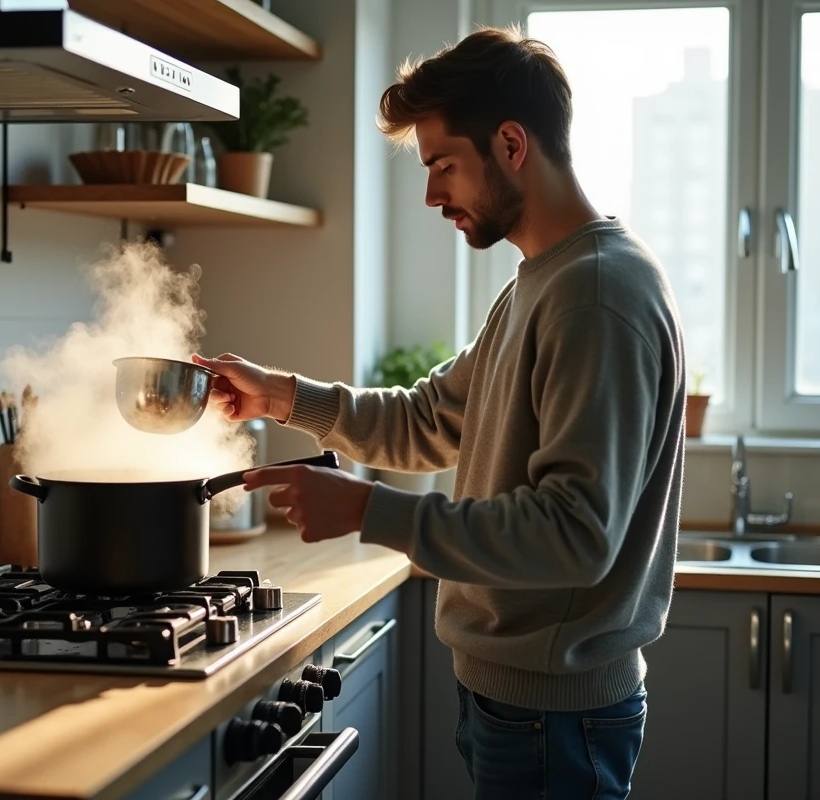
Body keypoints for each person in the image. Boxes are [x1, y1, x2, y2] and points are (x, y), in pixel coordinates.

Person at [192, 24, 685, 800]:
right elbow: (429, 420)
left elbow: (575, 534)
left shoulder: (595, 295)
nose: (431, 195)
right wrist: (281, 394)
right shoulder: (539, 283)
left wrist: (365, 508)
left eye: (443, 165)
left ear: (513, 144)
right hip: (518, 700)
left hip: (554, 717)